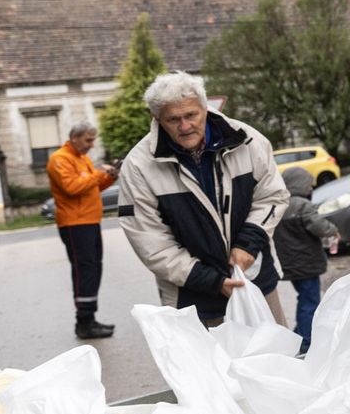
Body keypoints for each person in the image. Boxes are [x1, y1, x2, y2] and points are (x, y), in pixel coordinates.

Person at [119, 71, 290, 328]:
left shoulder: (248, 140)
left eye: (191, 115)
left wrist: (248, 243)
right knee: (210, 368)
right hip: (193, 299)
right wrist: (211, 281)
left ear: (205, 107)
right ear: (157, 119)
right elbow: (150, 241)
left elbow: (273, 196)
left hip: (255, 283)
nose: (185, 126)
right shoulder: (139, 166)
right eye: (173, 119)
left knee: (275, 361)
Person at [46, 120, 118, 339]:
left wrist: (110, 176)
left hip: (89, 221)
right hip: (74, 223)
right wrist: (97, 174)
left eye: (93, 139)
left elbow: (91, 187)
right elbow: (72, 187)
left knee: (93, 270)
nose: (92, 144)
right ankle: (84, 323)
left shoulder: (81, 158)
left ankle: (89, 319)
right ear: (74, 137)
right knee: (84, 272)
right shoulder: (59, 159)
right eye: (88, 140)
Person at [275, 167, 339, 354]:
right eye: (309, 185)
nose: (311, 188)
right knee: (309, 302)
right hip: (307, 264)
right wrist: (333, 230)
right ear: (300, 184)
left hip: (289, 264)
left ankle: (299, 335)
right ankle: (305, 342)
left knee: (304, 299)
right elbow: (319, 226)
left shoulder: (280, 204)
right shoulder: (303, 205)